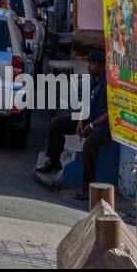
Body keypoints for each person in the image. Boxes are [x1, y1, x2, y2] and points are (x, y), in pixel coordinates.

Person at [35, 49, 111, 200]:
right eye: (88, 63)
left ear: (102, 65)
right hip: (89, 119)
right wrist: (82, 120)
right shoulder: (91, 81)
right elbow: (85, 104)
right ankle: (54, 162)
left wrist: (92, 125)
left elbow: (111, 113)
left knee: (89, 146)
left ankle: (87, 188)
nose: (89, 67)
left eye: (93, 64)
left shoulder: (109, 84)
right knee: (57, 123)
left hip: (104, 126)